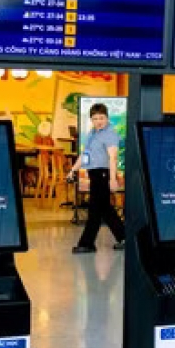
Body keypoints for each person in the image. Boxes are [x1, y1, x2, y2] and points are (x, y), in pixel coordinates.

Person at [69, 103, 126, 253]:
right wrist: (73, 170)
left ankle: (87, 243)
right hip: (94, 174)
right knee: (104, 209)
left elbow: (113, 157)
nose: (98, 121)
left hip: (103, 174)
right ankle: (124, 238)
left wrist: (112, 180)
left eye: (101, 118)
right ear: (91, 120)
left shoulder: (110, 134)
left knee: (95, 209)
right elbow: (84, 154)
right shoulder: (92, 133)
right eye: (95, 118)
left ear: (107, 117)